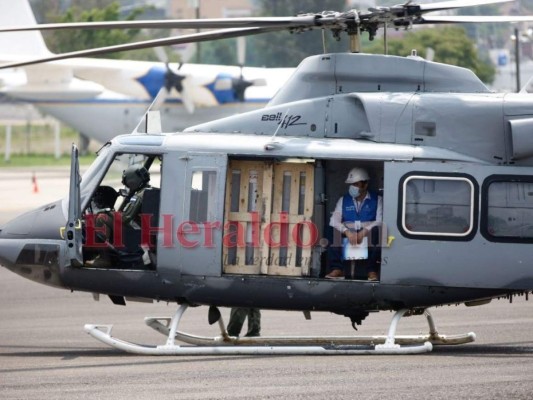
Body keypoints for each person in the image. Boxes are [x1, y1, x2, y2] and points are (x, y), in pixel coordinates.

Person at [326, 167, 382, 281]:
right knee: (330, 229)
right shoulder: (343, 199)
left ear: (365, 185)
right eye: (351, 184)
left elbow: (379, 220)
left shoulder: (377, 199)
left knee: (378, 230)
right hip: (349, 233)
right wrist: (346, 232)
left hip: (367, 233)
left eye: (356, 184)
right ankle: (337, 269)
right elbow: (334, 220)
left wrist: (364, 232)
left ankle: (372, 270)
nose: (353, 187)